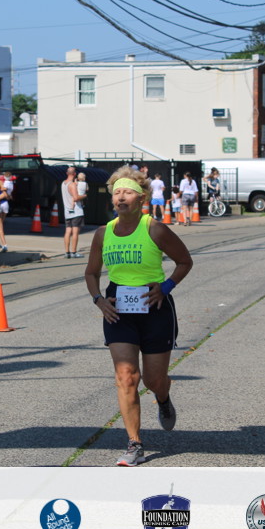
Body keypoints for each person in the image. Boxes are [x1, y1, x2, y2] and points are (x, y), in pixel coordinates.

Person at [84, 166, 193, 466]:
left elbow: (185, 261)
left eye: (127, 192)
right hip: (118, 309)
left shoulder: (155, 229)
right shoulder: (103, 233)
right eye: (117, 192)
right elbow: (91, 273)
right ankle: (135, 443)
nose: (121, 197)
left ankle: (163, 397)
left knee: (154, 379)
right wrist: (98, 300)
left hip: (155, 307)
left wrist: (166, 287)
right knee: (126, 376)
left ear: (142, 198)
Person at [61, 165, 85, 258]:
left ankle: (67, 252)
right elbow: (75, 198)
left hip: (67, 211)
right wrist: (84, 196)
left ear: (67, 173)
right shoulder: (72, 185)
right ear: (75, 174)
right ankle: (74, 252)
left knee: (68, 231)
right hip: (76, 212)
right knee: (75, 232)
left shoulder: (63, 183)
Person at [0, 171, 11, 253]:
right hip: (5, 204)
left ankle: (4, 245)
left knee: (0, 227)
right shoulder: (1, 183)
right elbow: (7, 195)